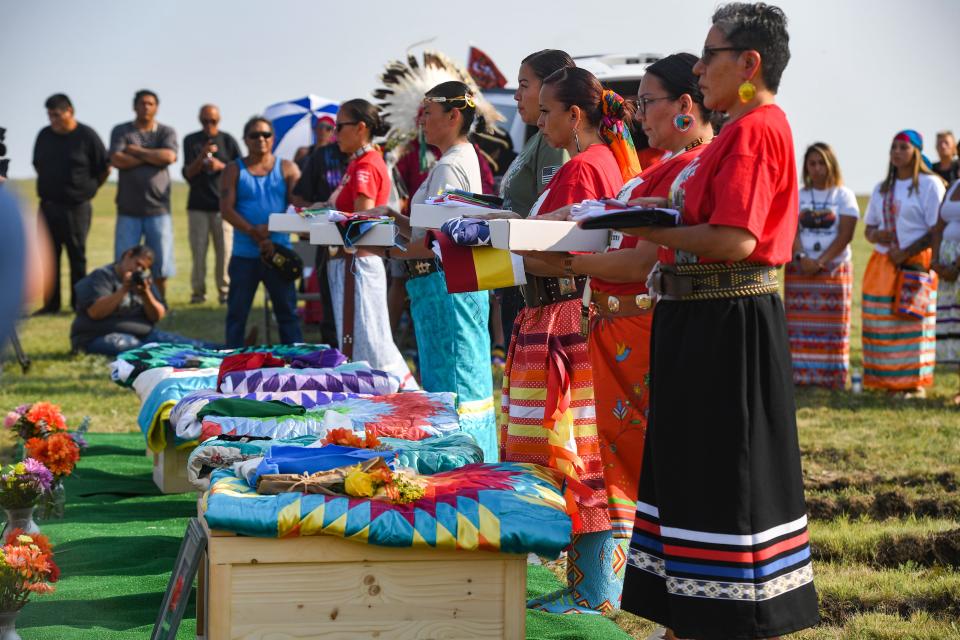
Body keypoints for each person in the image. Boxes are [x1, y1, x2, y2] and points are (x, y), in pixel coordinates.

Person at [617, 4, 820, 637]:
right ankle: (691, 620)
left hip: (726, 324)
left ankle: (719, 622)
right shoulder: (742, 127)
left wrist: (645, 225)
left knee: (722, 478)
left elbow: (735, 238)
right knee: (696, 473)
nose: (700, 68)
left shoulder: (757, 128)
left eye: (711, 55)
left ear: (749, 63)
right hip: (704, 320)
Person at [538, 53, 716, 549]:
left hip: (639, 332)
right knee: (603, 459)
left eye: (647, 102)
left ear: (685, 106)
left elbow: (640, 263)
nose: (638, 114)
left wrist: (565, 265)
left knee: (624, 464)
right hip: (616, 330)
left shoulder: (693, 167)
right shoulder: (665, 167)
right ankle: (603, 586)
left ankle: (605, 588)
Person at [502, 66, 638, 615]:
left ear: (574, 116)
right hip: (561, 315)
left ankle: (595, 593)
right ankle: (586, 585)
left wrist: (496, 244)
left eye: (547, 113)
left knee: (578, 455)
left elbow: (571, 253)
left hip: (561, 319)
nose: (540, 121)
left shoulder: (585, 168)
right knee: (581, 450)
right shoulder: (595, 162)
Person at [375, 81, 497, 462]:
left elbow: (431, 241)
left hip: (444, 288)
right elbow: (427, 227)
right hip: (453, 286)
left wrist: (375, 240)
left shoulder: (448, 166)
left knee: (453, 386)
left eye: (428, 113)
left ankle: (462, 467)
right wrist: (393, 220)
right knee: (462, 378)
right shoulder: (462, 158)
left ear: (453, 116)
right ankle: (473, 462)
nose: (422, 121)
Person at [326, 99, 415, 388]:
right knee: (362, 339)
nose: (334, 133)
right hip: (352, 263)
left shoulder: (366, 164)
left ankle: (400, 398)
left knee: (369, 343)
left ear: (361, 128)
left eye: (340, 126)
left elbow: (359, 220)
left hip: (357, 263)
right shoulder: (359, 162)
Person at [494, 49, 572, 356]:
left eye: (524, 85)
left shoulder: (553, 145)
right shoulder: (538, 138)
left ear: (550, 87)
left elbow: (549, 213)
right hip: (519, 270)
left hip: (534, 277)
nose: (516, 96)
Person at [862, 130, 946, 397]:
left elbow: (937, 230)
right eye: (893, 147)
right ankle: (888, 381)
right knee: (883, 322)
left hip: (916, 264)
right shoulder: (882, 188)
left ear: (916, 152)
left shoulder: (930, 185)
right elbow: (869, 229)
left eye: (903, 147)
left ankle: (912, 384)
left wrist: (907, 250)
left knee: (912, 323)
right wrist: (877, 235)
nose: (897, 152)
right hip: (884, 262)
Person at [220, 117, 302, 348]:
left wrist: (269, 229)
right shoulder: (233, 169)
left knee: (287, 314)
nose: (261, 140)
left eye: (266, 135)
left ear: (273, 138)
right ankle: (231, 362)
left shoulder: (287, 168)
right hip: (244, 254)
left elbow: (296, 207)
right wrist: (253, 232)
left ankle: (298, 361)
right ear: (245, 139)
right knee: (237, 315)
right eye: (254, 135)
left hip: (279, 253)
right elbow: (226, 209)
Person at [785, 142, 859, 388]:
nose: (816, 168)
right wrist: (801, 258)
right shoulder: (799, 194)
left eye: (821, 163)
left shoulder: (843, 195)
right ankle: (800, 376)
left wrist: (820, 262)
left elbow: (845, 234)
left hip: (833, 269)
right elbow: (791, 229)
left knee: (833, 327)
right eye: (811, 163)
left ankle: (831, 377)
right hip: (800, 268)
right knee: (799, 329)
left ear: (831, 165)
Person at [32, 93, 109, 313]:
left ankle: (78, 304)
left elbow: (104, 167)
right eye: (49, 115)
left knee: (76, 256)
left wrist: (87, 190)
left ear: (69, 112)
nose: (52, 120)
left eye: (56, 115)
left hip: (76, 207)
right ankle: (51, 304)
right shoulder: (44, 135)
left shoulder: (86, 135)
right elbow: (37, 164)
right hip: (48, 205)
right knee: (48, 256)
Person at [70, 245, 218, 356]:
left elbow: (157, 316)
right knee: (140, 350)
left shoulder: (141, 280)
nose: (138, 270)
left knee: (186, 344)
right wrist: (123, 290)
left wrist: (146, 293)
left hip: (143, 334)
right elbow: (95, 312)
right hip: (96, 336)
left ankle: (228, 351)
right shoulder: (101, 276)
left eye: (143, 268)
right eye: (137, 264)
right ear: (128, 255)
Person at [109, 90, 178, 300]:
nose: (146, 107)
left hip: (158, 209)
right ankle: (125, 302)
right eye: (142, 103)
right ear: (134, 106)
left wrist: (137, 152)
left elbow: (169, 156)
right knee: (125, 261)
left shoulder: (166, 131)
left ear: (156, 107)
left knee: (161, 263)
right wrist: (153, 157)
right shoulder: (122, 130)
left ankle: (159, 302)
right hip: (128, 209)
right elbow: (117, 160)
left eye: (150, 104)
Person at [182, 104, 242, 305]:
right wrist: (202, 157)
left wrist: (221, 166)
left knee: (224, 252)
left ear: (219, 120)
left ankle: (225, 293)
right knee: (198, 252)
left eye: (213, 121)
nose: (209, 125)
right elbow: (188, 173)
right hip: (198, 206)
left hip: (223, 206)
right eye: (205, 121)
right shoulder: (190, 140)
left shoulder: (228, 140)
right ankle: (198, 293)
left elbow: (241, 169)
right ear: (199, 120)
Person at [933, 175, 960, 404]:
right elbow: (938, 226)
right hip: (946, 266)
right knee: (954, 323)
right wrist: (935, 261)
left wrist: (956, 265)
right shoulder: (953, 187)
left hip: (956, 265)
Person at [292, 115, 348, 204]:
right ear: (315, 128)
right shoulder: (303, 152)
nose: (323, 131)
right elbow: (294, 177)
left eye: (328, 128)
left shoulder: (340, 154)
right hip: (307, 193)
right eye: (321, 126)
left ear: (333, 131)